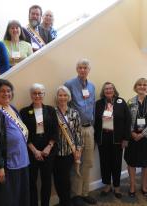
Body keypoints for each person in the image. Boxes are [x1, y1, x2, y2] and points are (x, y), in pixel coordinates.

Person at [64, 58, 97, 205]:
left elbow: (93, 107)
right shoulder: (69, 84)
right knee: (76, 162)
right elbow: (65, 105)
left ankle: (85, 193)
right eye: (80, 68)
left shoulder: (92, 86)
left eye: (85, 68)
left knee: (88, 162)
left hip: (89, 128)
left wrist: (93, 125)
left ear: (89, 70)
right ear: (77, 69)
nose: (83, 70)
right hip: (75, 130)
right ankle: (75, 195)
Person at [20, 83, 58, 206]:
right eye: (35, 93)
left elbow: (55, 130)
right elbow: (23, 133)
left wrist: (49, 146)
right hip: (31, 151)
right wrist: (34, 151)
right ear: (31, 95)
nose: (37, 95)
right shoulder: (25, 112)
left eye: (40, 93)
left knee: (47, 182)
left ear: (44, 94)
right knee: (32, 182)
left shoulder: (51, 110)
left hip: (48, 150)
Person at [94, 82, 131, 199]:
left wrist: (126, 138)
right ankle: (107, 185)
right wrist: (95, 138)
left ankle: (117, 187)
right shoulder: (98, 104)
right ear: (103, 91)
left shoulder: (121, 102)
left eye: (110, 88)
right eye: (106, 89)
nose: (108, 90)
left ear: (114, 90)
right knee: (104, 162)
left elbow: (128, 120)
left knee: (116, 163)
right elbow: (94, 121)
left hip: (117, 139)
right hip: (103, 137)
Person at [124, 78, 147, 197]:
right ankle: (132, 186)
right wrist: (132, 133)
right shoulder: (130, 102)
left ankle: (144, 186)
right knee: (131, 162)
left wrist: (142, 134)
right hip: (133, 137)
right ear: (136, 87)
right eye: (140, 84)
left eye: (145, 85)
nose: (142, 87)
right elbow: (127, 120)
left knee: (146, 163)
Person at [53, 86, 83, 206]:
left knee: (65, 179)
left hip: (69, 152)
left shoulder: (74, 113)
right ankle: (62, 201)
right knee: (57, 178)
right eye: (60, 95)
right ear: (57, 97)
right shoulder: (51, 112)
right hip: (55, 152)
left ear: (69, 97)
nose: (63, 97)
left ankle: (66, 202)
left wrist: (78, 149)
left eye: (65, 95)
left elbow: (78, 132)